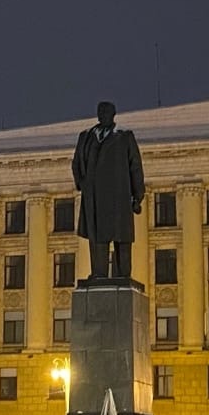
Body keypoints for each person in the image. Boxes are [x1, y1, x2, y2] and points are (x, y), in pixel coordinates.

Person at [71, 100, 143, 281]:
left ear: (113, 114)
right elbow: (76, 163)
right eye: (100, 112)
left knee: (122, 239)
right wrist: (82, 183)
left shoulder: (125, 136)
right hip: (94, 196)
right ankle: (99, 273)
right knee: (97, 238)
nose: (102, 115)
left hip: (119, 196)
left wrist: (137, 196)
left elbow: (135, 166)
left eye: (106, 112)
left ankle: (123, 274)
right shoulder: (86, 136)